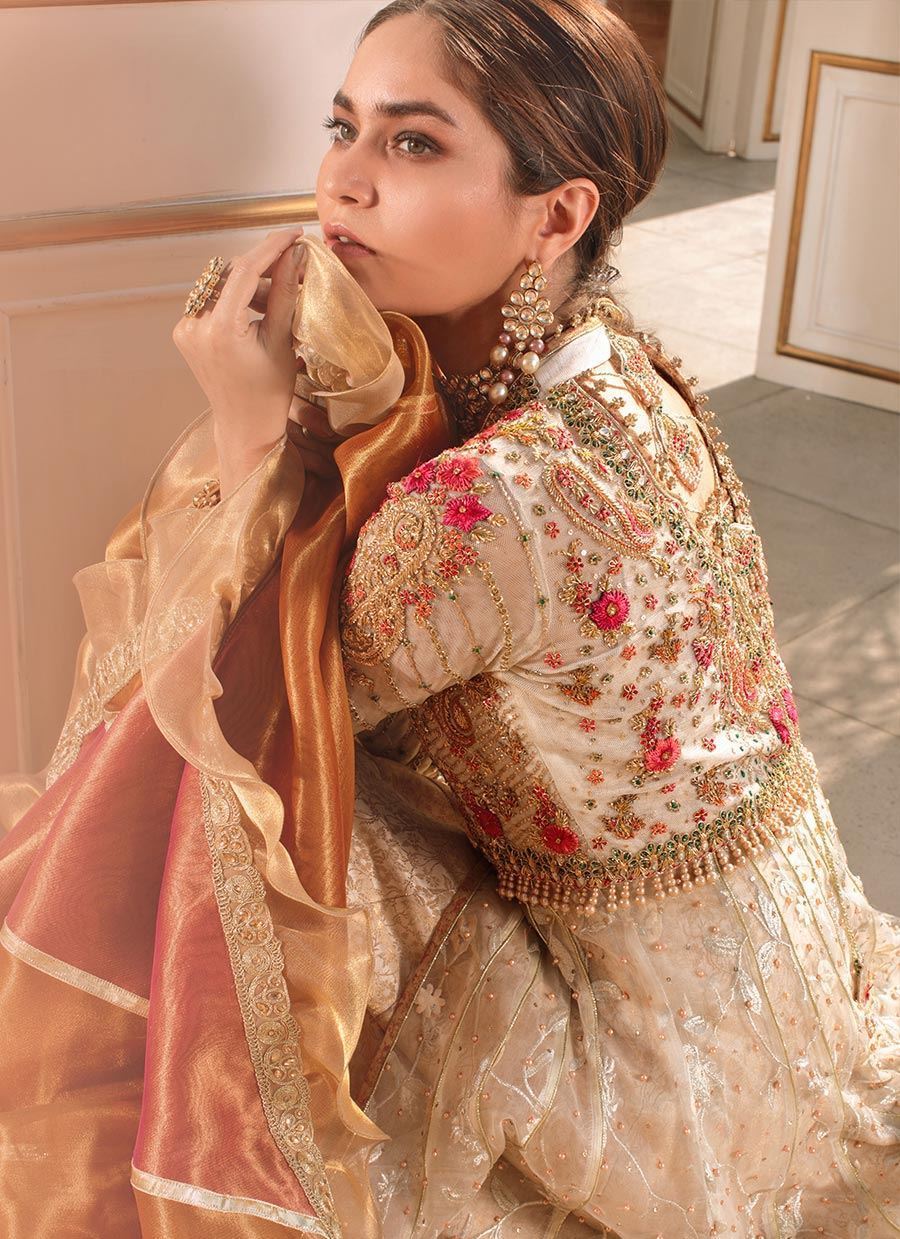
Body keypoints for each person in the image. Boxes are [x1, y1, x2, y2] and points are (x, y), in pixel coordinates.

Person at [1, 1, 898, 1237]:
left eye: (414, 143)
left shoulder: (492, 505)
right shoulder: (625, 367)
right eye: (345, 127)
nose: (345, 181)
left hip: (659, 1057)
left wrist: (249, 435)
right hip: (785, 955)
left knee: (242, 804)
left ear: (558, 217)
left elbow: (248, 707)